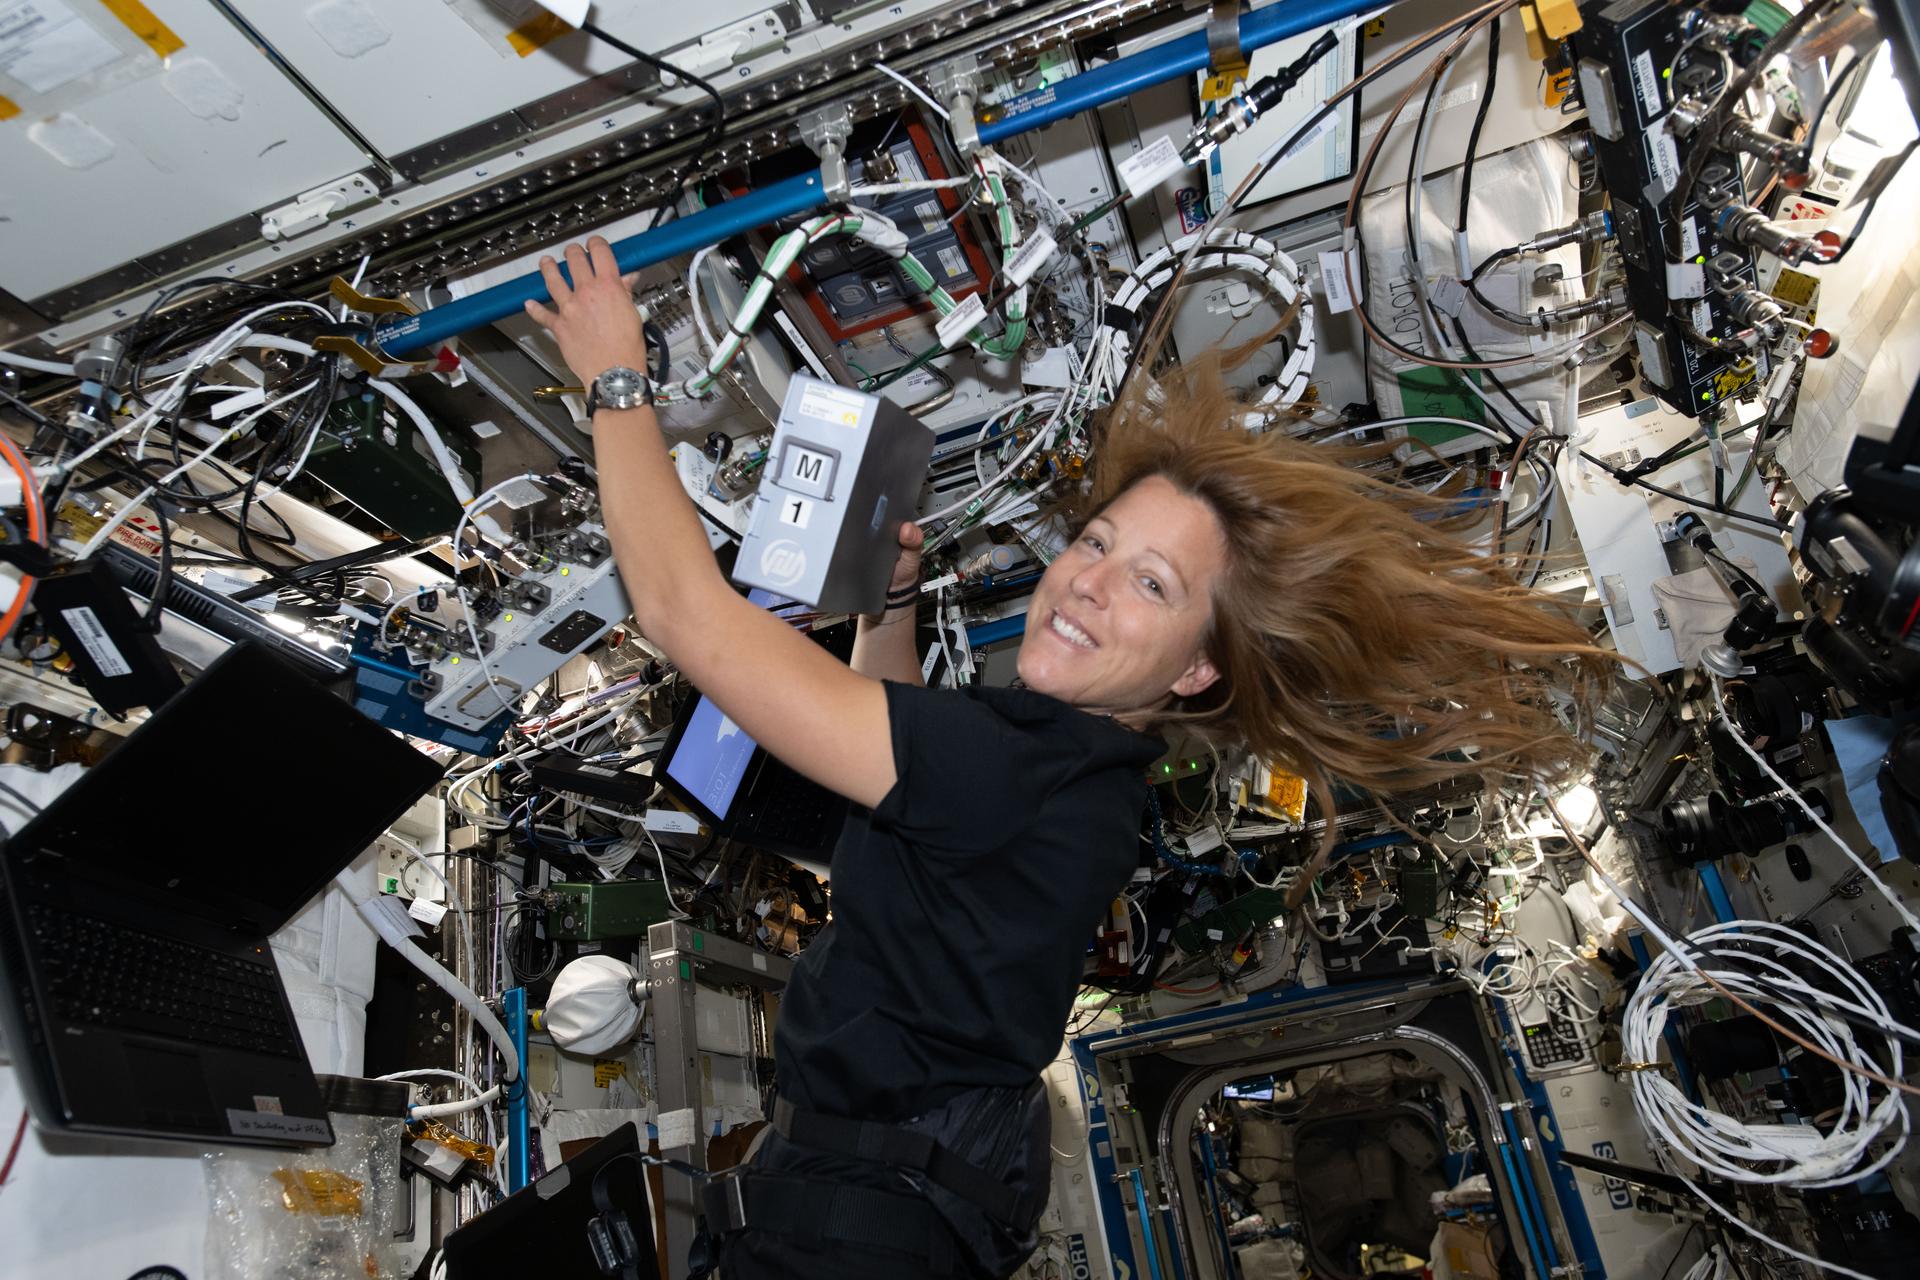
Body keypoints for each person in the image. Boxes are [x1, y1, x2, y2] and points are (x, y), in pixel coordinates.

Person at [526, 237, 1616, 1279]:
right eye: (1097, 542)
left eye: (1151, 583)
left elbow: (681, 612)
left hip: (847, 1233)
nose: (1088, 579)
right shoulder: (1078, 778)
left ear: (1195, 671)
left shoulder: (1018, 769)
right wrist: (892, 598)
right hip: (867, 1212)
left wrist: (617, 381)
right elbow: (889, 738)